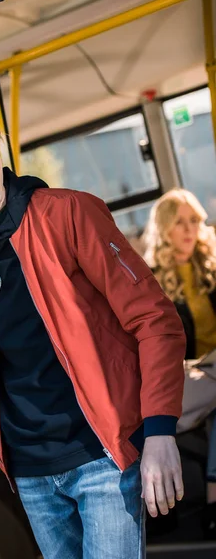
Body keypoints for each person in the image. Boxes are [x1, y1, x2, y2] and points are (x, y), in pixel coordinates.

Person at [0, 100, 186, 559]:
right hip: (30, 473)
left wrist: (159, 432)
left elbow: (155, 321)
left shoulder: (70, 213)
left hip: (104, 456)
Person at [143, 188, 216, 539]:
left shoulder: (211, 270)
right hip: (185, 377)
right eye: (179, 223)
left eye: (194, 222)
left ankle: (214, 498)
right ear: (164, 230)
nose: (189, 230)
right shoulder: (150, 280)